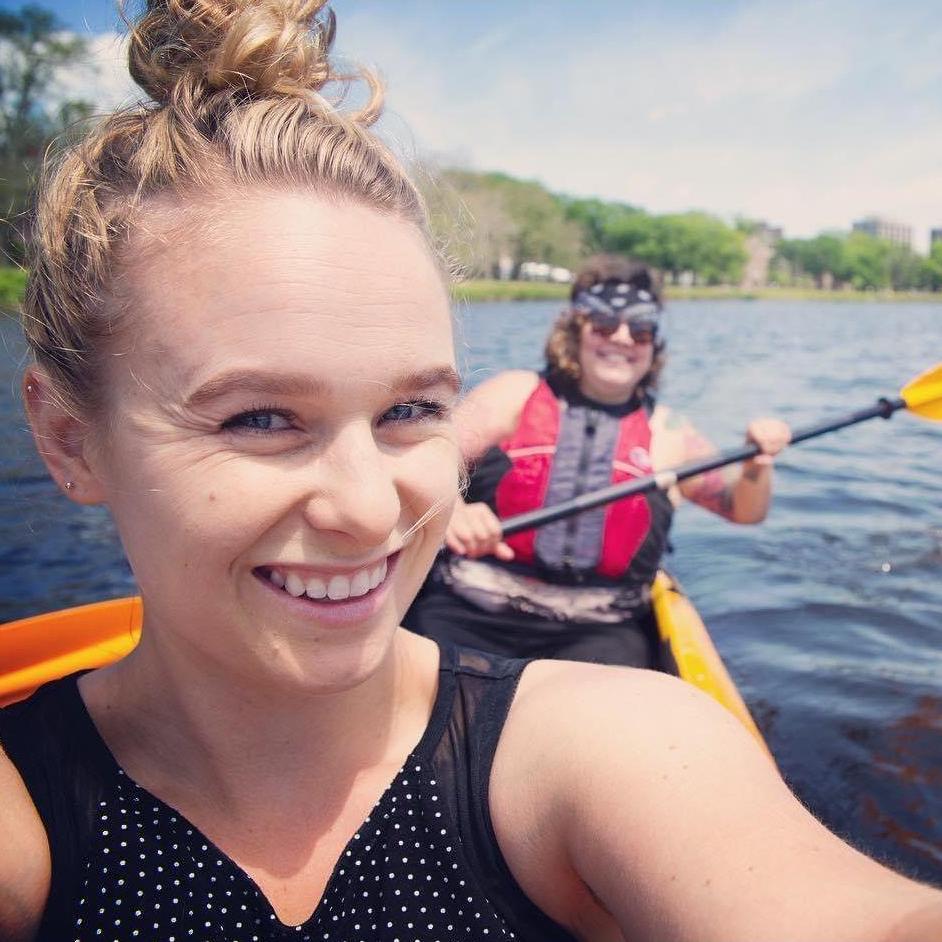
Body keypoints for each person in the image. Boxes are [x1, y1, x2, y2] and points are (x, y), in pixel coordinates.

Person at [1, 3, 941, 941]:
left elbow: (736, 509)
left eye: (411, 411)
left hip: (593, 635)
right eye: (259, 418)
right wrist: (452, 521)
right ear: (71, 440)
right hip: (480, 598)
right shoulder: (23, 819)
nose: (373, 511)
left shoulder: (613, 738)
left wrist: (760, 461)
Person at [405, 259, 793, 668]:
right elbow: (422, 455)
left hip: (598, 629)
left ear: (653, 345)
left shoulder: (671, 434)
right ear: (576, 331)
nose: (623, 338)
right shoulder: (513, 394)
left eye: (640, 329)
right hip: (470, 606)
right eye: (605, 324)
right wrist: (454, 509)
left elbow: (745, 510)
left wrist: (758, 464)